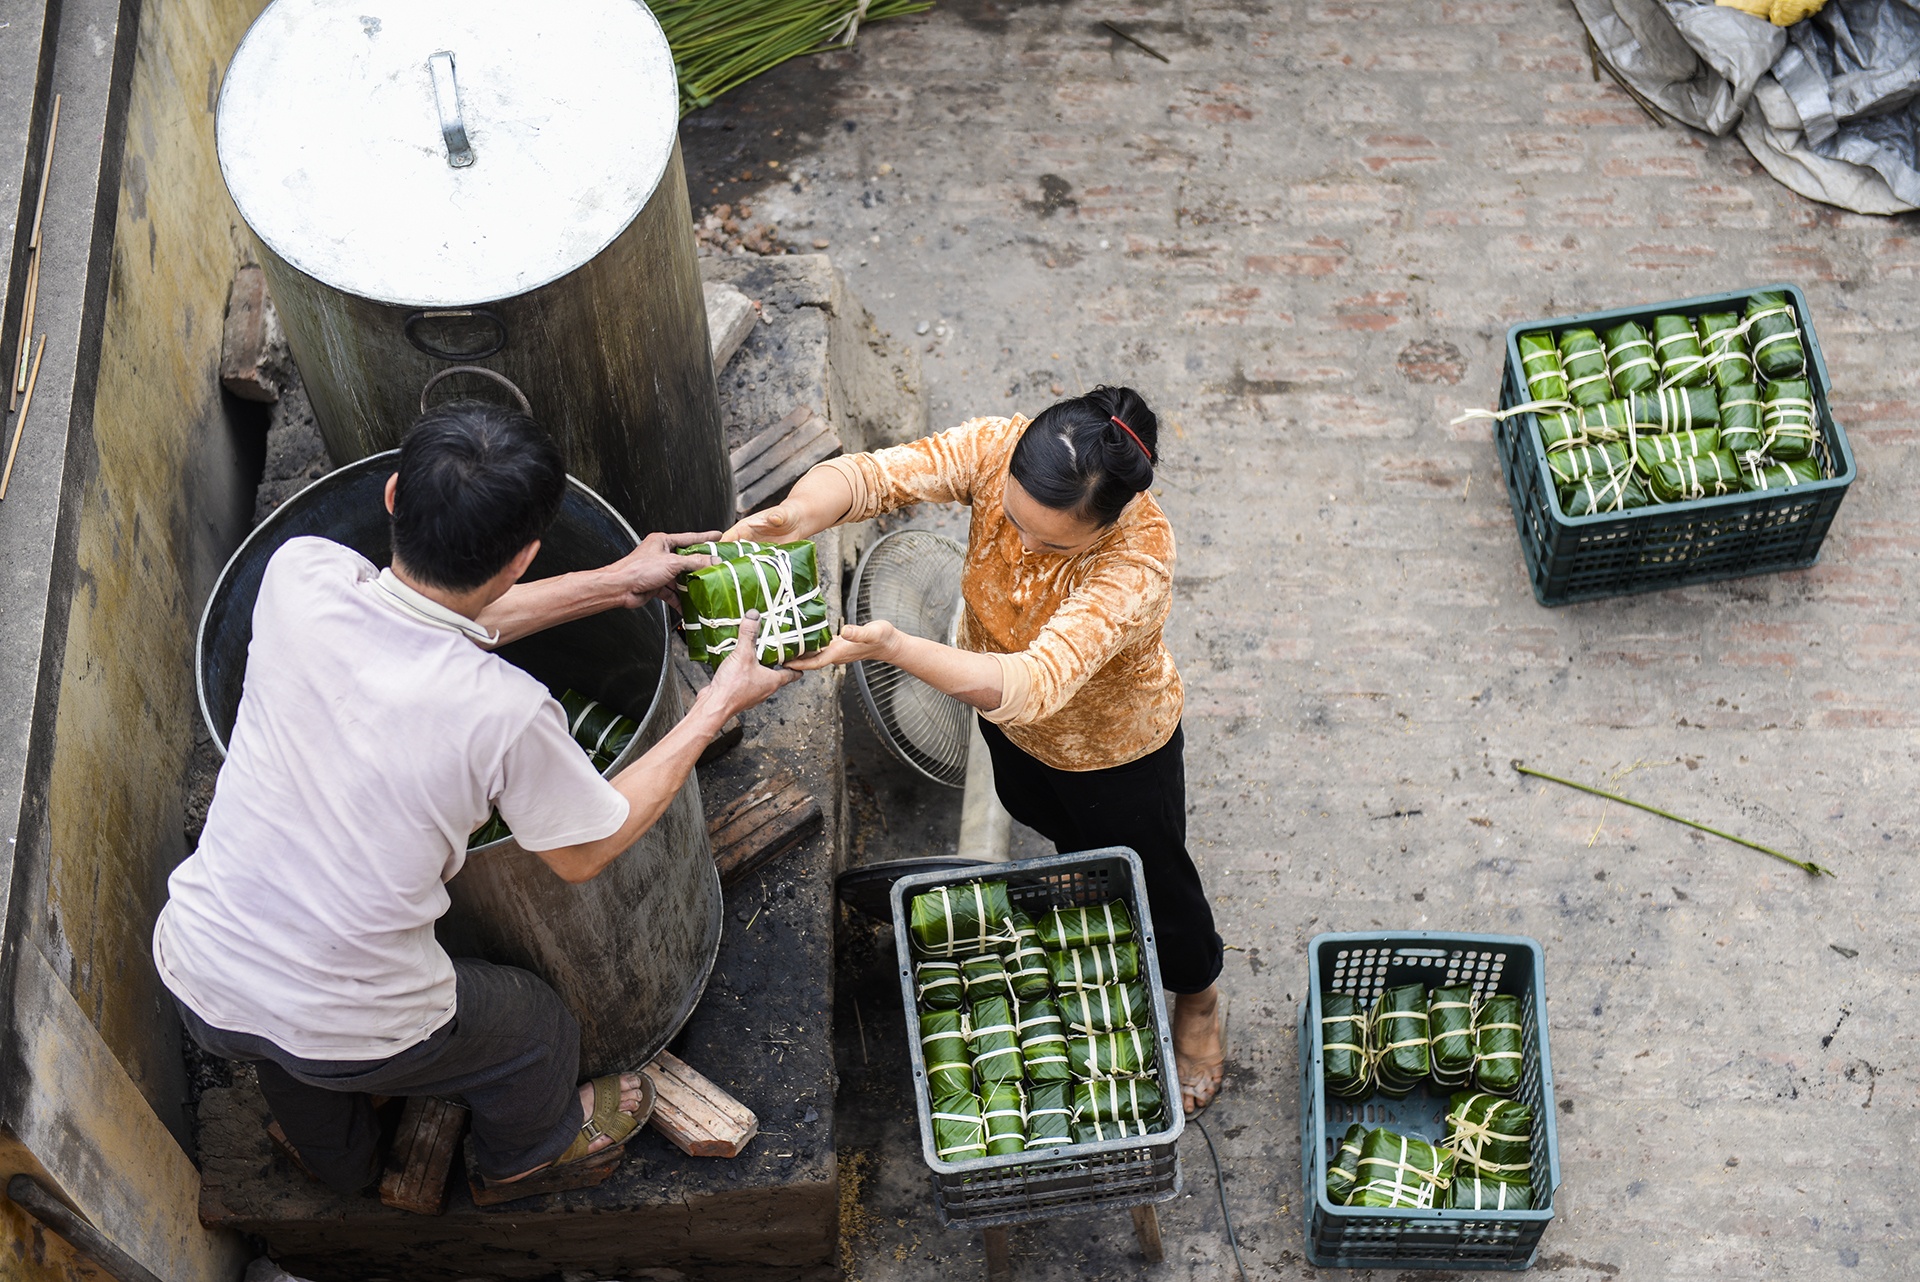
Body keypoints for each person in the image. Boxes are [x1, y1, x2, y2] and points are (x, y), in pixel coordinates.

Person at [153, 401, 797, 1193]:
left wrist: (617, 583)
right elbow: (587, 849)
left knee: (283, 1044)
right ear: (526, 555)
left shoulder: (300, 573)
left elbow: (437, 617)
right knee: (532, 1027)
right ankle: (528, 1152)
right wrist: (714, 707)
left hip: (199, 970)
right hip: (352, 1025)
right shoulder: (505, 712)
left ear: (393, 497)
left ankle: (341, 1164)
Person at [724, 385, 1228, 1115]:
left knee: (1159, 887)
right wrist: (797, 514)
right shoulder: (999, 448)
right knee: (1053, 827)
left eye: (1053, 543)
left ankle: (1201, 1001)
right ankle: (1094, 917)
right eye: (1014, 521)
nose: (1022, 545)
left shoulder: (1136, 562)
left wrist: (897, 647)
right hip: (1012, 731)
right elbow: (875, 477)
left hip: (1115, 749)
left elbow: (1030, 684)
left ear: (1109, 522)